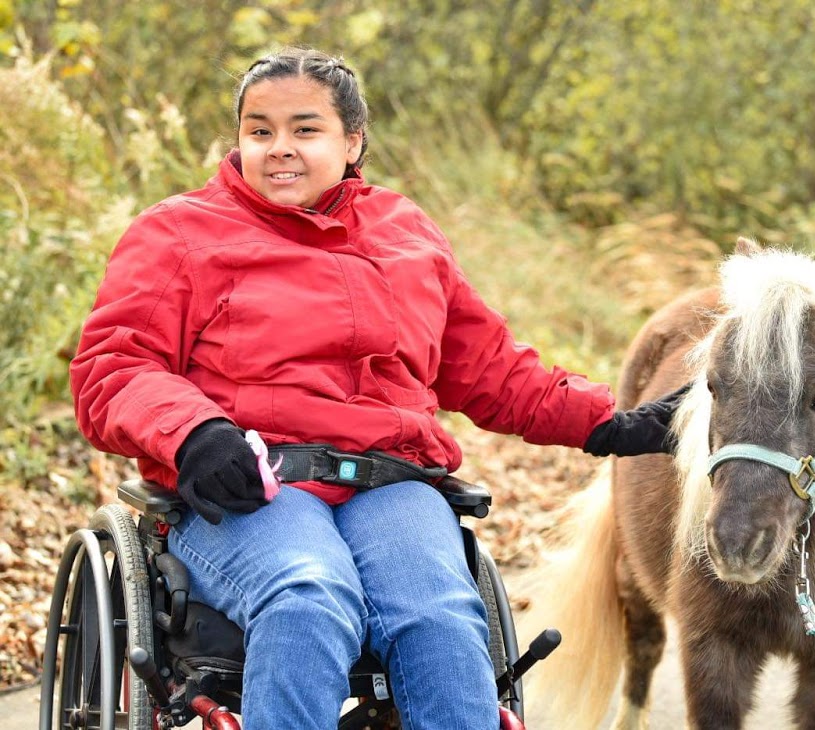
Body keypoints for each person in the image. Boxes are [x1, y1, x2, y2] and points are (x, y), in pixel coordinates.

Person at [70, 47, 686, 730]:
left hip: (390, 483)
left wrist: (609, 423)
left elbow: (489, 368)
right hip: (257, 483)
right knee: (308, 597)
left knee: (440, 617)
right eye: (259, 130)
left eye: (305, 130)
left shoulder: (405, 233)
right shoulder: (179, 234)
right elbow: (114, 364)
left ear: (352, 140)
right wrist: (194, 432)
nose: (279, 149)